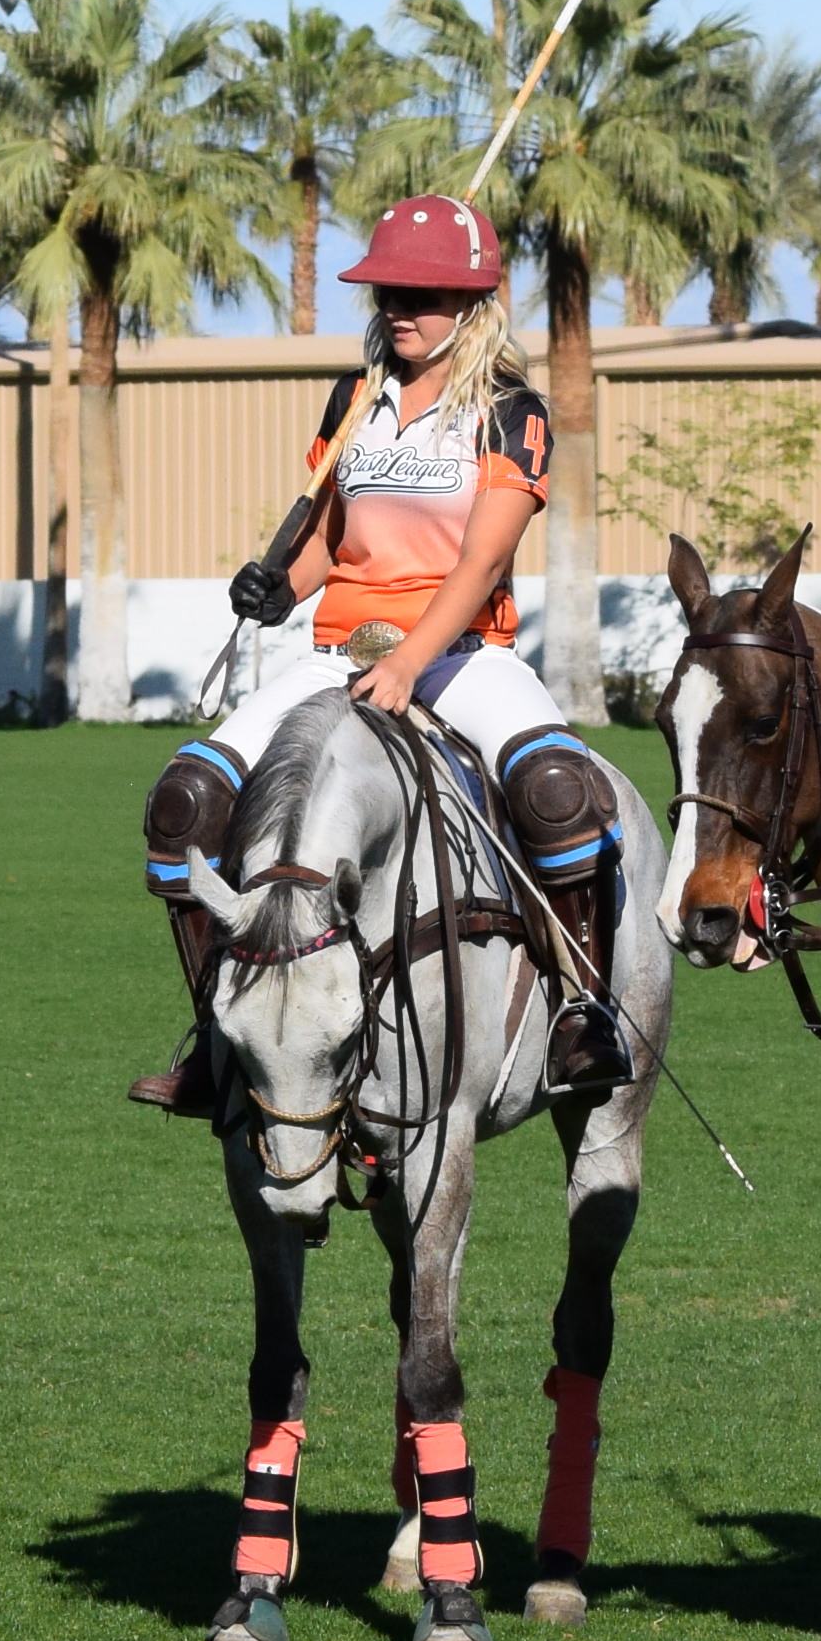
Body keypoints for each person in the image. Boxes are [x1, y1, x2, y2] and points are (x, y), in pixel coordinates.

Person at [129, 194, 629, 1116]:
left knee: (559, 787)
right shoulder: (356, 400)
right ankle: (216, 1035)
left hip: (461, 653)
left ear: (472, 307)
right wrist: (282, 588)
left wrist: (409, 665)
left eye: (425, 294)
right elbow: (328, 535)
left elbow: (482, 560)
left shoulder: (512, 413)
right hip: (337, 653)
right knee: (183, 805)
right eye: (390, 289)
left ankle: (580, 1006)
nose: (401, 307)